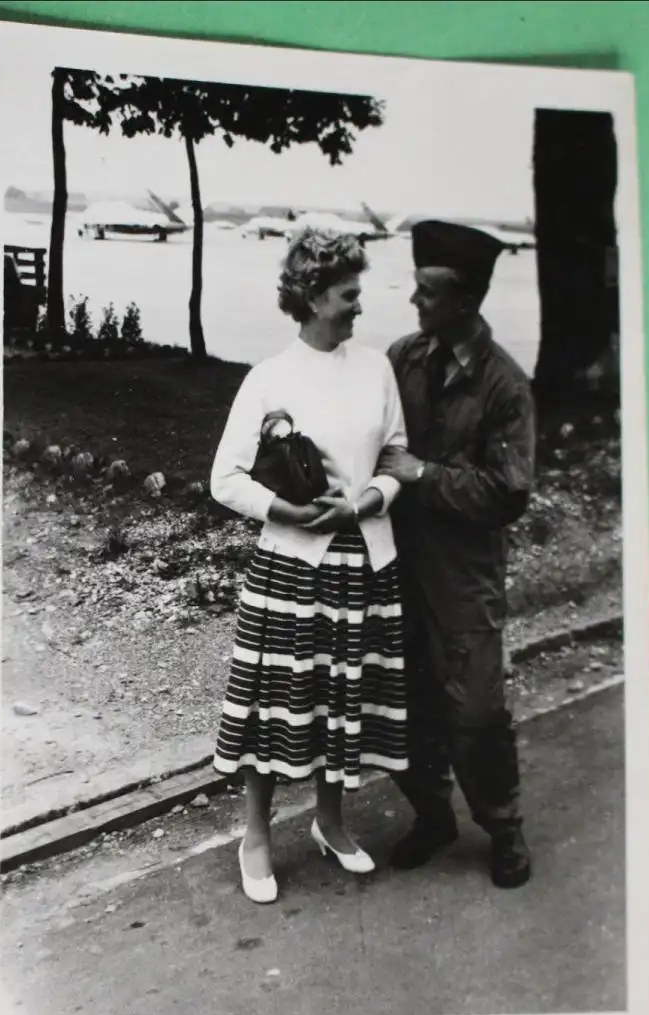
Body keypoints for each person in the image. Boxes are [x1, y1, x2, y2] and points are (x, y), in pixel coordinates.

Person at [210, 228, 409, 904]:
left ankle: (330, 821)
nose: (359, 305)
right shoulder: (269, 378)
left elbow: (397, 456)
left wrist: (366, 501)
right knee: (277, 701)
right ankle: (256, 836)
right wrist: (286, 511)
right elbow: (225, 478)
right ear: (315, 296)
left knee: (341, 697)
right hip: (293, 568)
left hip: (363, 560)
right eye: (349, 294)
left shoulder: (377, 369)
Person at [377, 219, 536, 889]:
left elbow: (508, 492)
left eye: (429, 292)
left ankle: (504, 828)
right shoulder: (402, 358)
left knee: (476, 713)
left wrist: (423, 475)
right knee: (406, 701)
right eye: (416, 289)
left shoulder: (505, 386)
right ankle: (433, 816)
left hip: (466, 579)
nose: (415, 302)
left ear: (466, 300)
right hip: (400, 567)